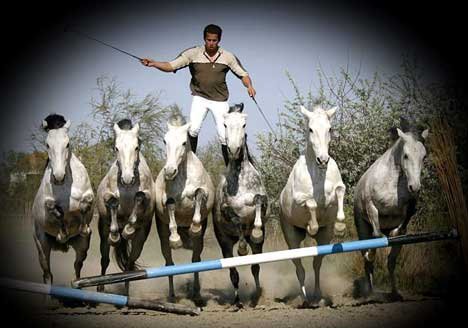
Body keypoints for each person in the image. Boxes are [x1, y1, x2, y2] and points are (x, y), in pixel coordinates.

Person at [140, 24, 256, 165]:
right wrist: (153, 63)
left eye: (214, 40)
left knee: (224, 137)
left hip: (219, 100)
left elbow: (243, 74)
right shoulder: (193, 53)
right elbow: (171, 66)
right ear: (204, 39)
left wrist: (249, 86)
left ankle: (229, 167)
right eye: (208, 40)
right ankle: (190, 162)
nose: (211, 43)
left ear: (219, 40)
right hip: (199, 97)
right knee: (193, 129)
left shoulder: (228, 57)